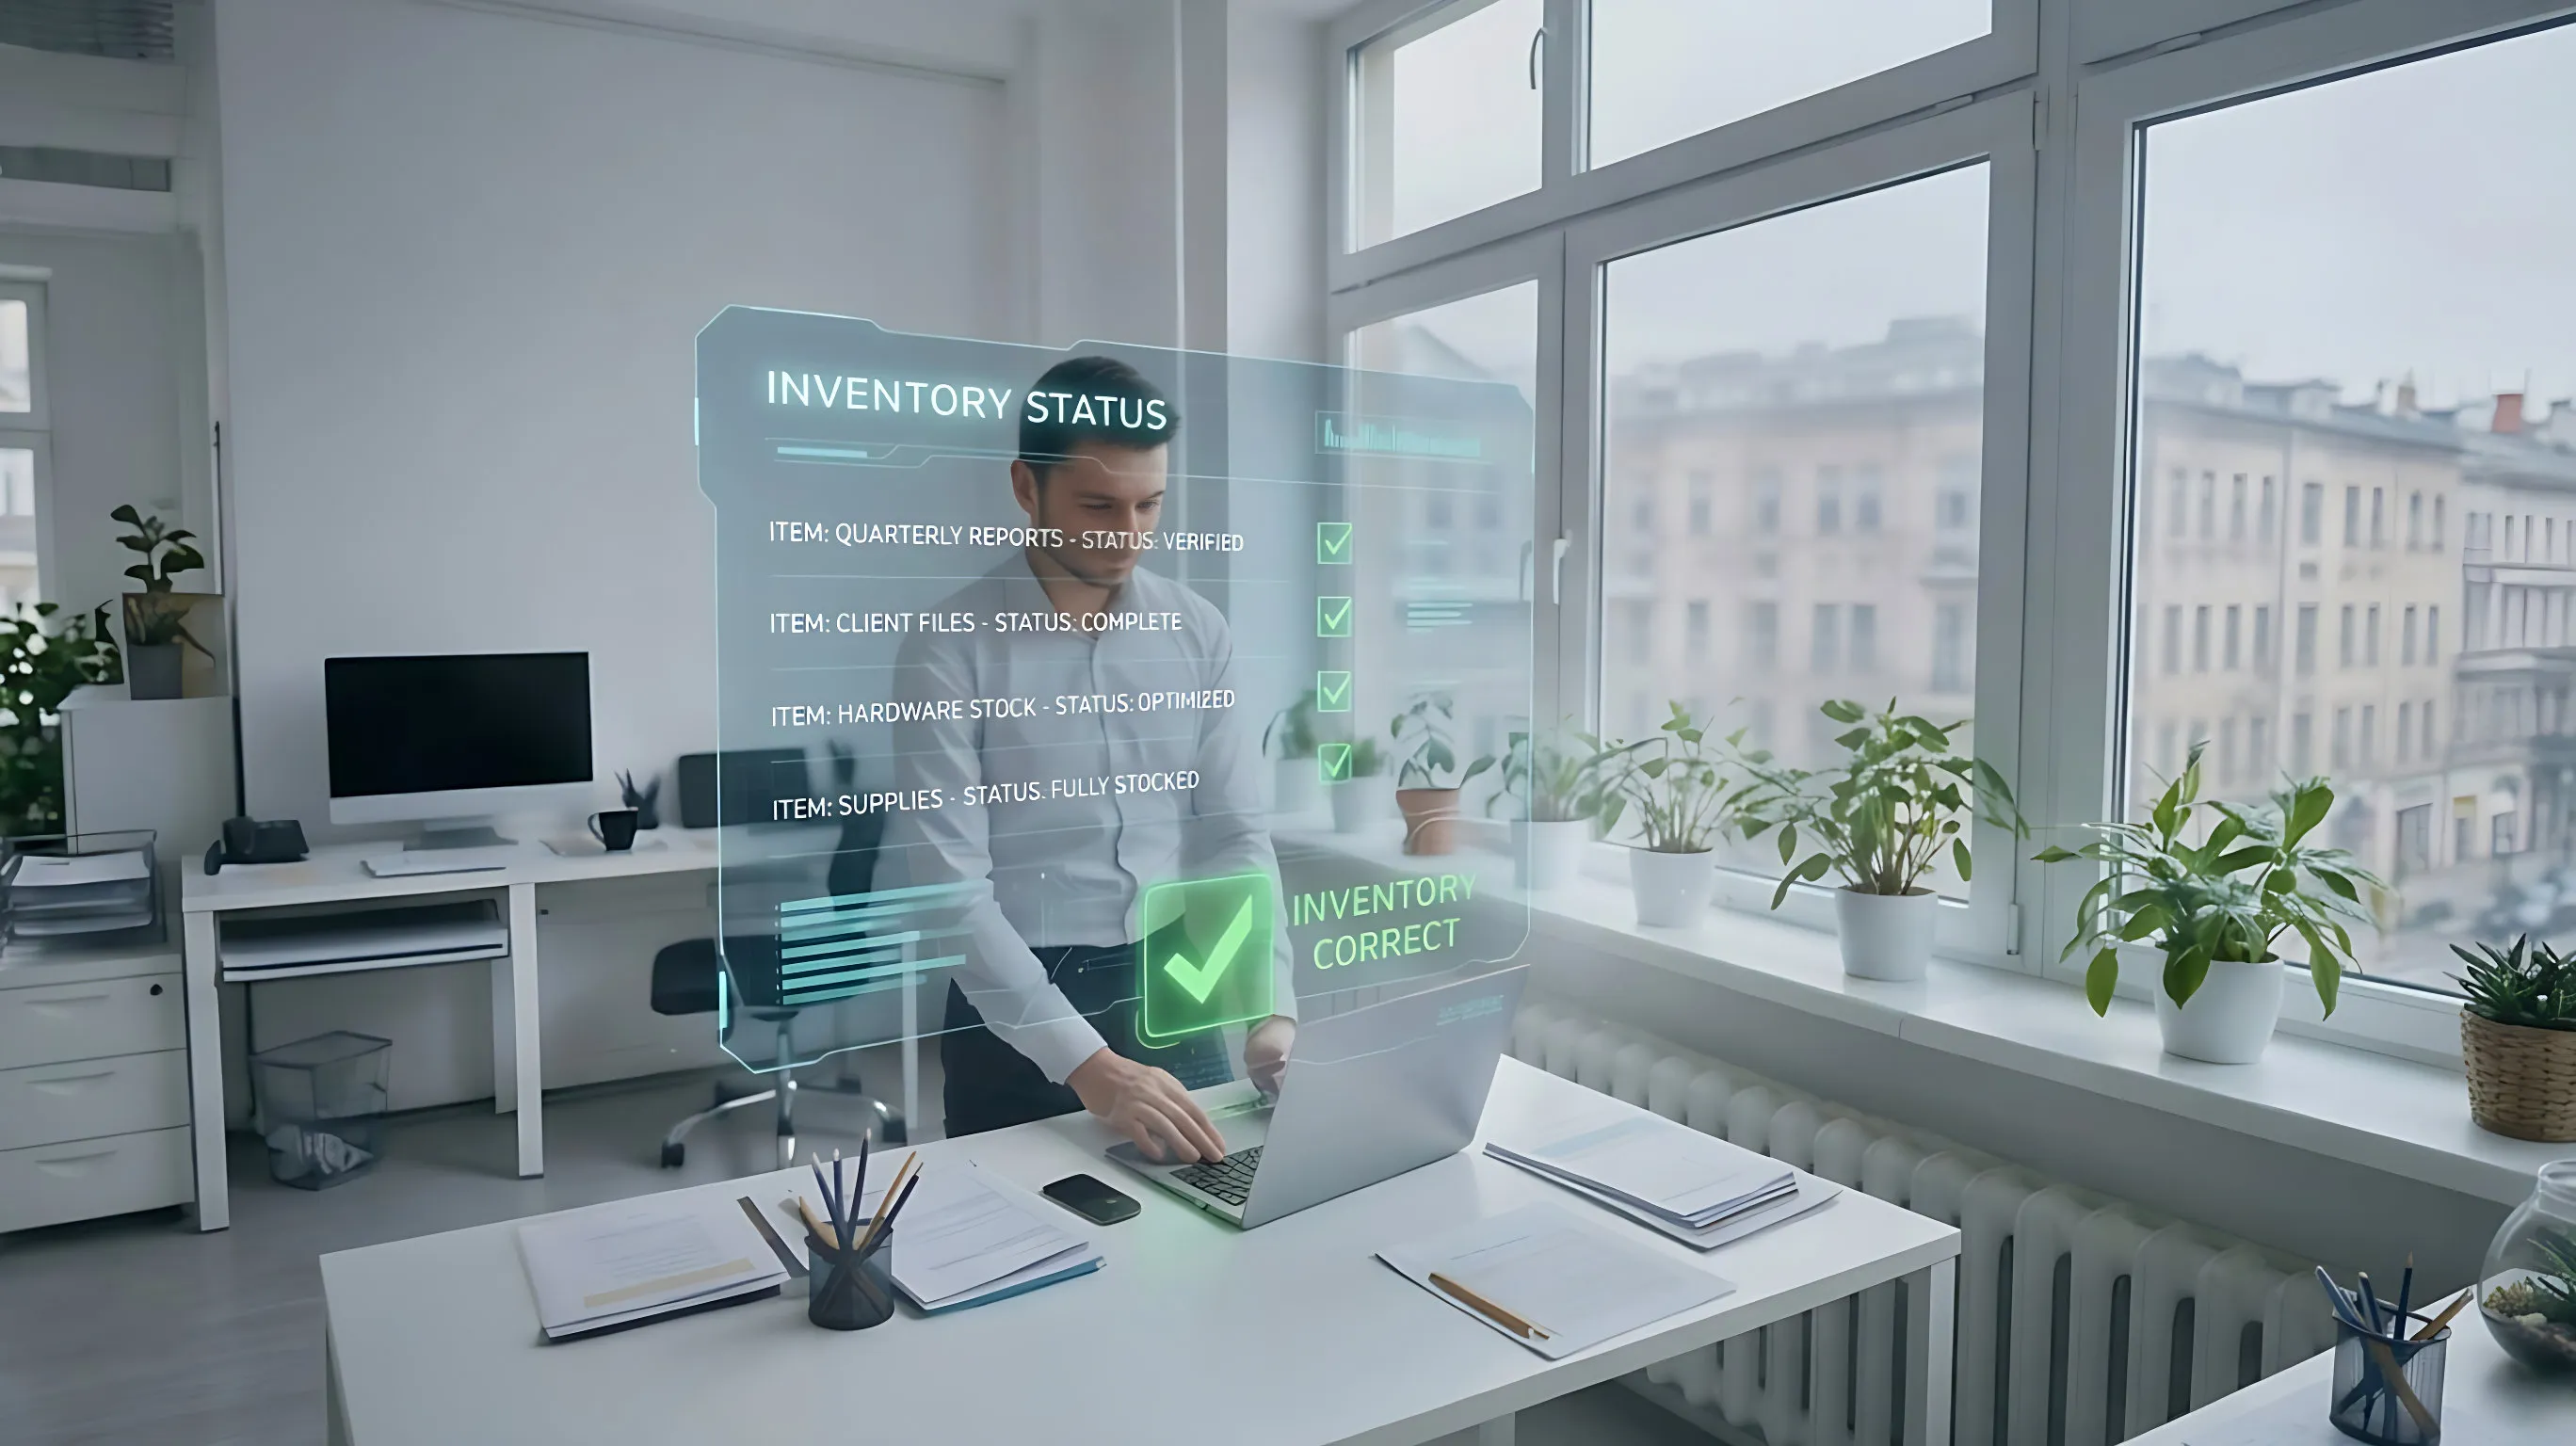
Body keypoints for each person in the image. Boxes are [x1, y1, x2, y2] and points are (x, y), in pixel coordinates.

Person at [886, 354, 1296, 1165]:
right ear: (1025, 487)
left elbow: (1233, 837)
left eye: (1150, 505)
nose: (1128, 534)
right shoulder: (949, 649)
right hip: (1014, 1006)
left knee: (1200, 1246)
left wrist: (1268, 1012)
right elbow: (948, 894)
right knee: (1020, 1264)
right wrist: (1089, 1065)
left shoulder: (1198, 632)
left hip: (1178, 981)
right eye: (1099, 505)